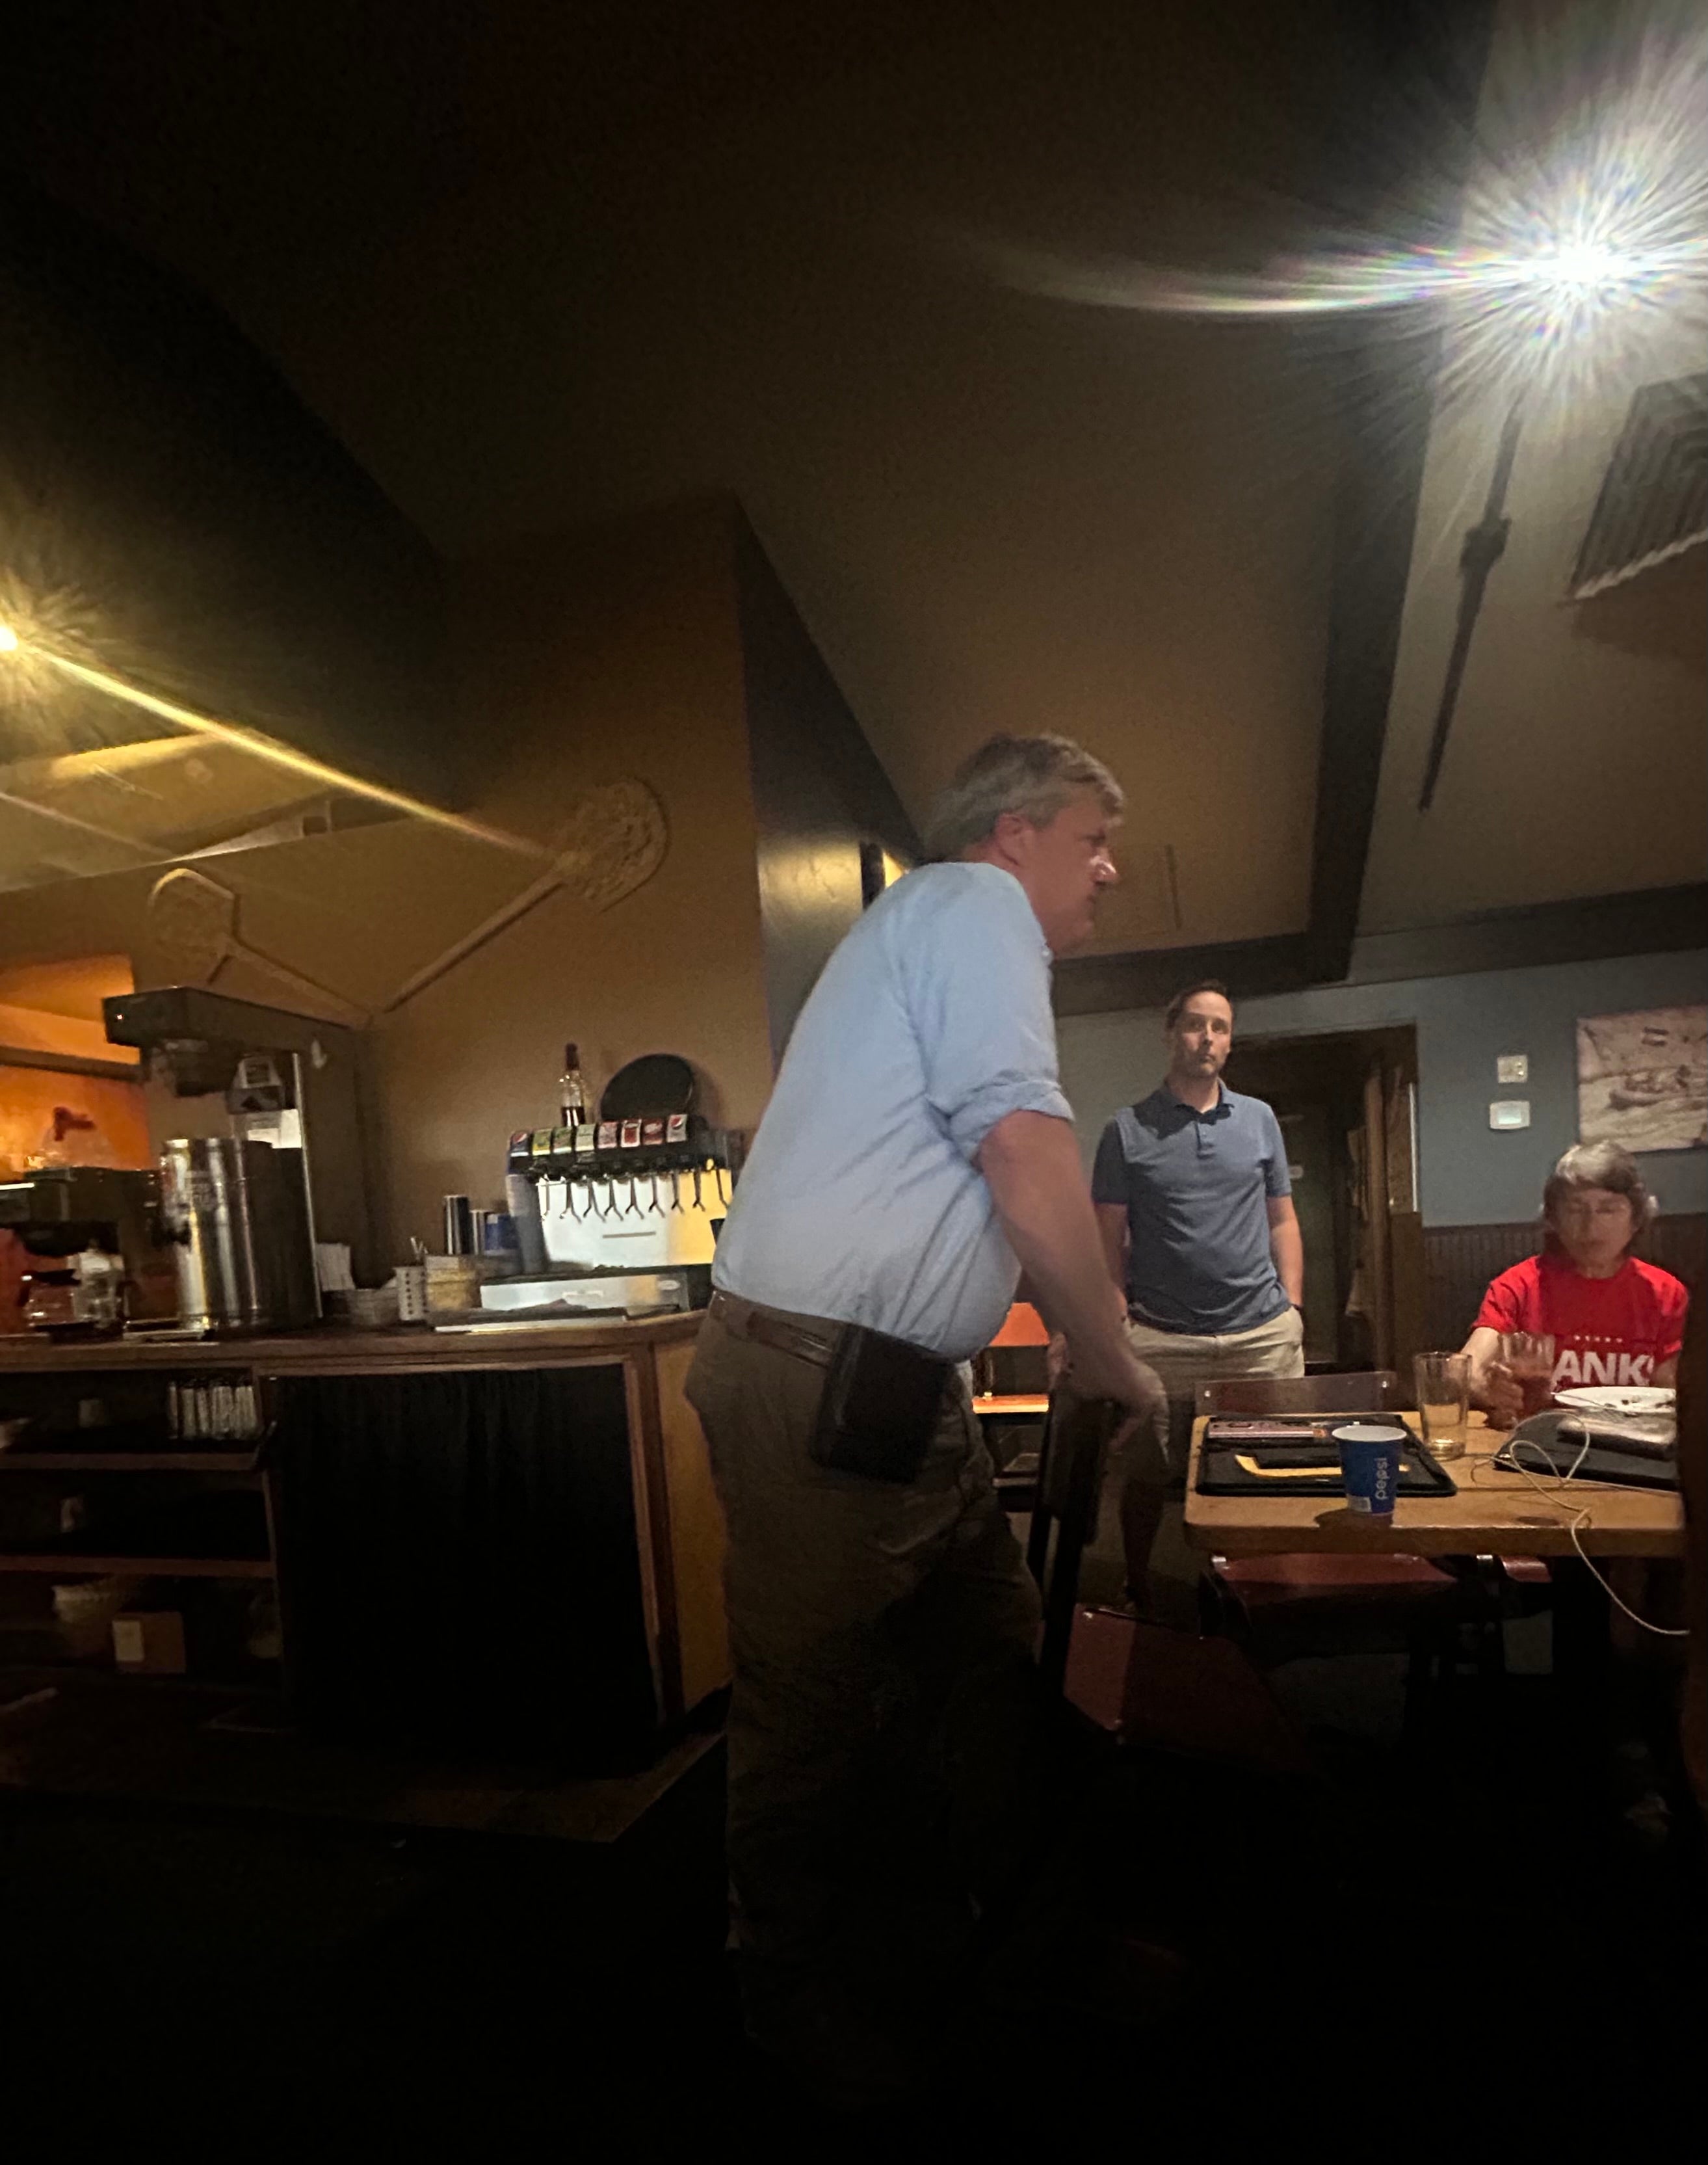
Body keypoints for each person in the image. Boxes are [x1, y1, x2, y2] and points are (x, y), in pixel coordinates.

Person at [685, 734, 1164, 2108]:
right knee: (809, 1699)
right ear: (1013, 832)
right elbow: (1022, 1147)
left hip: (895, 1388)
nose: (1107, 866)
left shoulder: (940, 926)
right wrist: (1104, 1347)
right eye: (1090, 836)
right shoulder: (971, 908)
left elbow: (995, 1172)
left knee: (990, 1658)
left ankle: (1008, 1929)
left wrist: (1080, 1325)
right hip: (815, 1377)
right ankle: (779, 1991)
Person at [1088, 979, 1304, 1604]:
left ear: (1229, 1042)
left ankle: (1262, 1590)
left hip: (1259, 1330)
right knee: (1144, 1475)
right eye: (1194, 1024)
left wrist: (1292, 1304)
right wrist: (1114, 1312)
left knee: (1265, 1468)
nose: (1206, 1038)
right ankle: (1134, 1584)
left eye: (1219, 1027)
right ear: (1170, 1034)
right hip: (1159, 1334)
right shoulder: (1125, 1130)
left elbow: (1282, 1218)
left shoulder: (1260, 1119)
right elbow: (1106, 1235)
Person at [1462, 1141, 1687, 1424]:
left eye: (1608, 1209)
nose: (1591, 1227)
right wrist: (1490, 1391)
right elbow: (1466, 1370)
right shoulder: (1518, 1285)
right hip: (1539, 1446)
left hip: (1634, 1447)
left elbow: (1673, 1391)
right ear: (1554, 1219)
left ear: (1636, 1219)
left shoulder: (1665, 1293)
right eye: (1575, 1209)